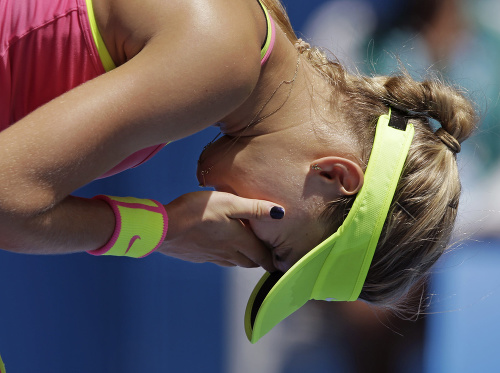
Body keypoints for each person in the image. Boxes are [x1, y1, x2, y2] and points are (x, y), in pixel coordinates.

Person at [1, 0, 476, 339]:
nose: (237, 231)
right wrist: (161, 231)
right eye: (274, 241)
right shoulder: (221, 58)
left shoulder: (247, 38)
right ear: (334, 176)